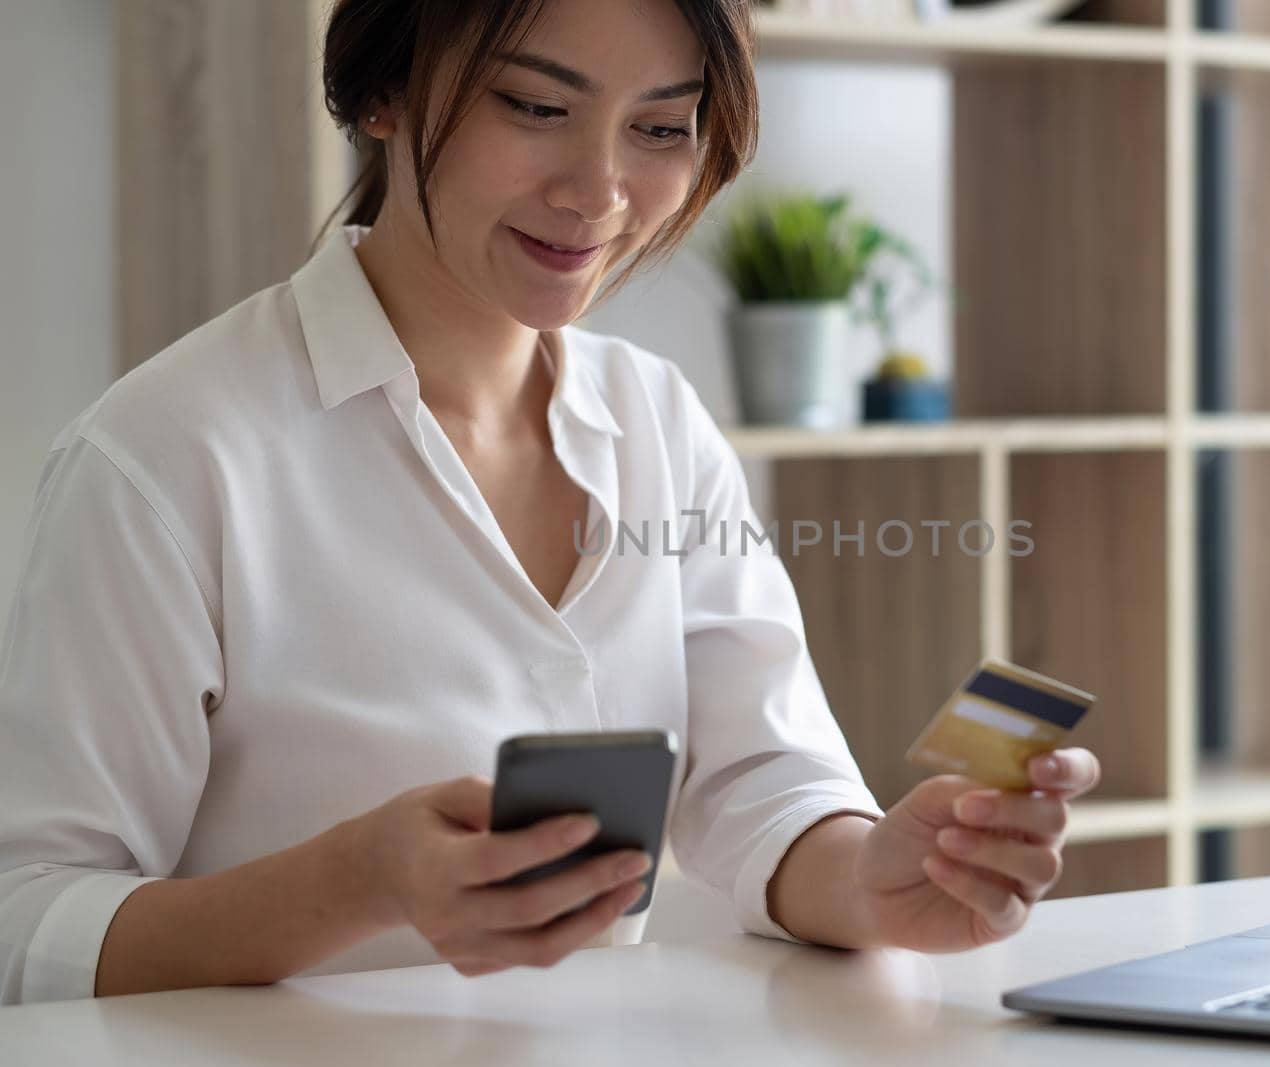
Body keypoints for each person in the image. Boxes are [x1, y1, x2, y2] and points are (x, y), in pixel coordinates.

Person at [0, 0, 1101, 1006]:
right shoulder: (167, 455)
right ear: (383, 93)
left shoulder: (656, 418)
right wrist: (350, 882)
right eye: (534, 106)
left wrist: (872, 876)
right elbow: (26, 919)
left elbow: (759, 771)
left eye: (660, 130)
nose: (599, 192)